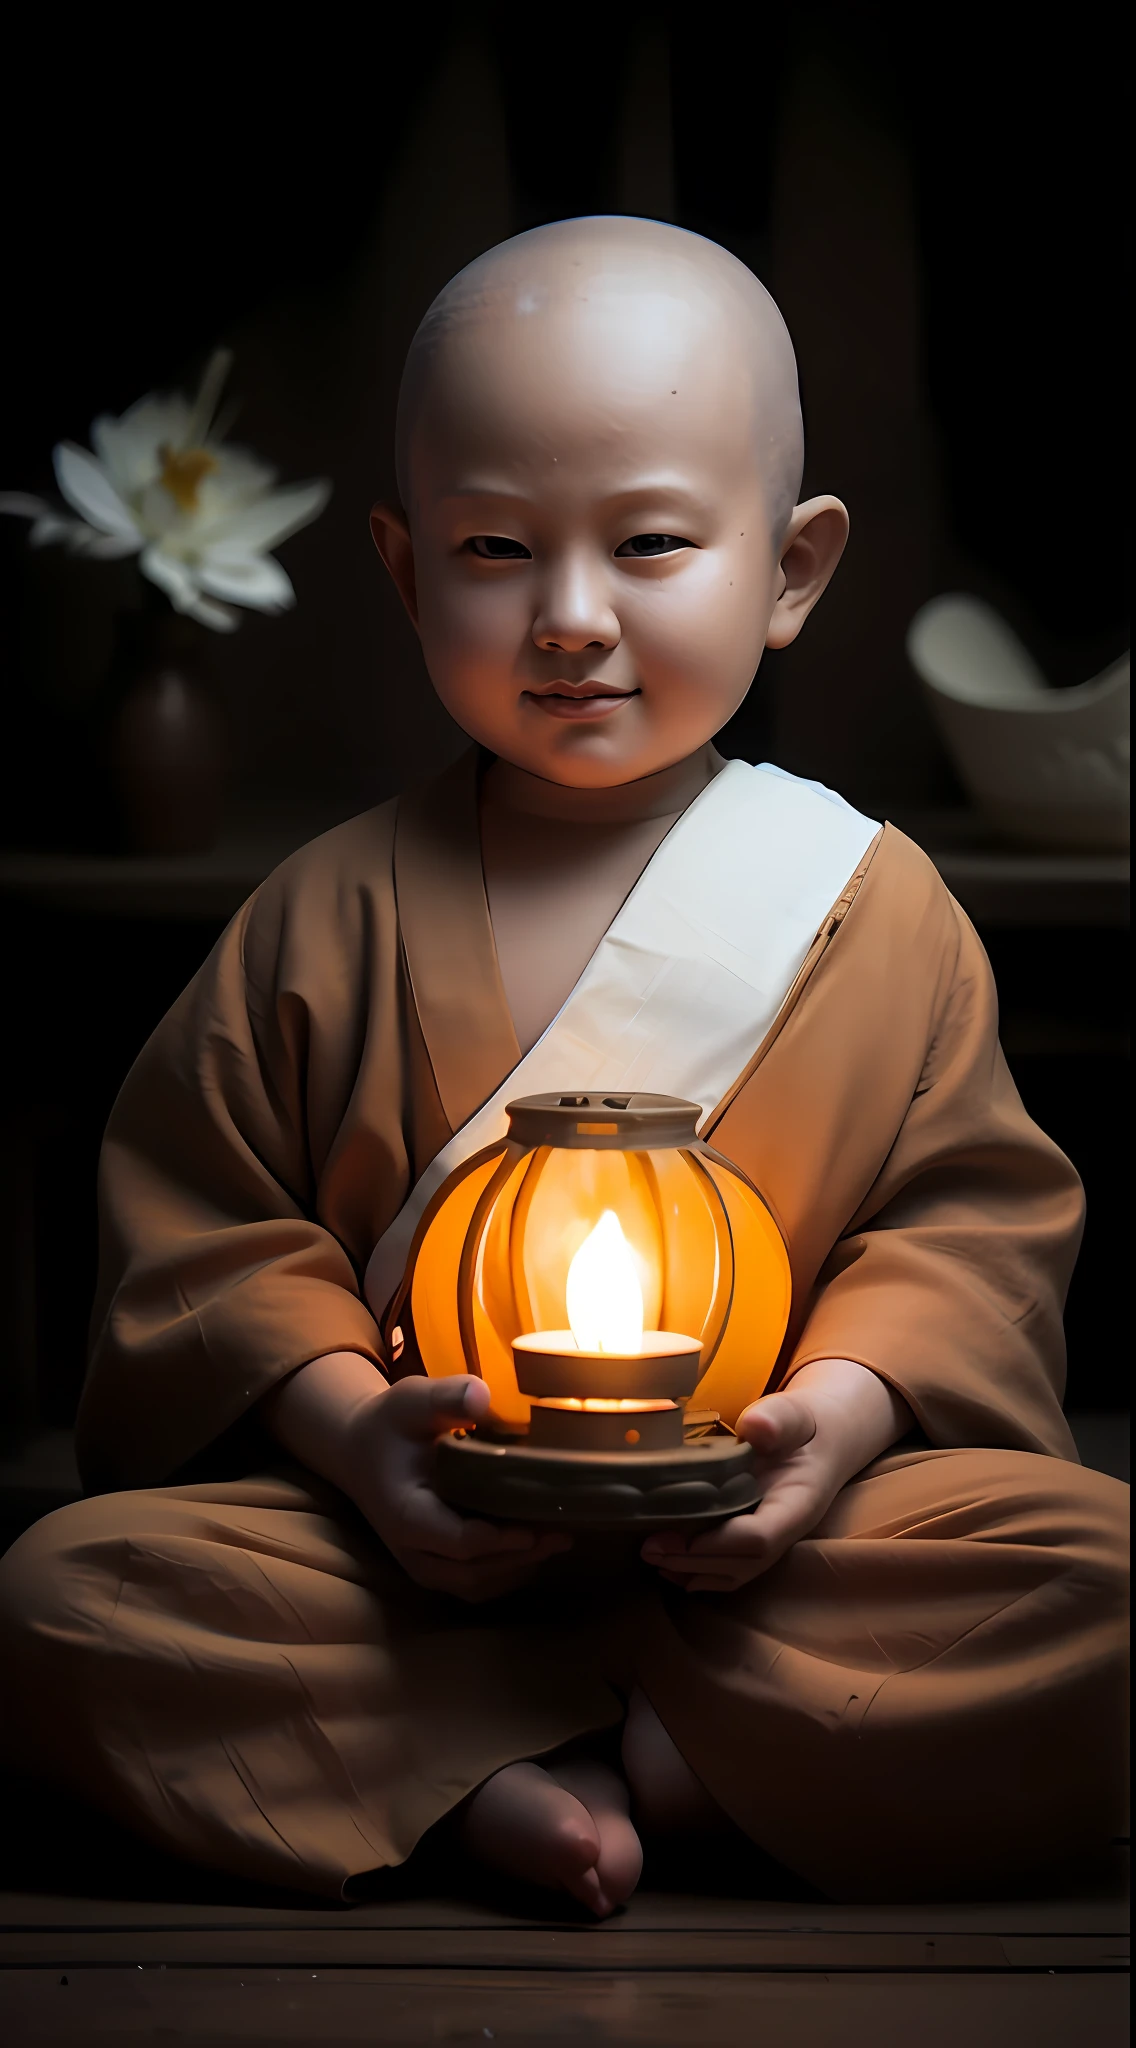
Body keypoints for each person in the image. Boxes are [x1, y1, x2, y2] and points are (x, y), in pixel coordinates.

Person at [0, 218, 1126, 1916]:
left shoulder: (873, 913)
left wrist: (831, 1421)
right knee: (58, 1600)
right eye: (494, 547)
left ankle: (524, 1766)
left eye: (653, 541)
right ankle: (659, 1764)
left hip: (776, 1556)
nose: (572, 616)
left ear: (795, 567)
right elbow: (207, 1240)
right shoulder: (326, 914)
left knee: (1101, 1580)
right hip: (395, 1556)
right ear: (401, 570)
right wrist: (363, 1441)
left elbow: (969, 1236)